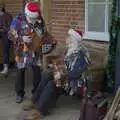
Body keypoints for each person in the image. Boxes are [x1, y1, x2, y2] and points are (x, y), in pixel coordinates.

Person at [8, 1, 45, 103]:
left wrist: (41, 38)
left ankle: (36, 92)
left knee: (37, 70)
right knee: (20, 71)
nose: (34, 20)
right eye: (31, 19)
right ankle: (20, 93)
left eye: (35, 18)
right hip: (21, 51)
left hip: (35, 50)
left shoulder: (39, 18)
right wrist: (21, 38)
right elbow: (10, 35)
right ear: (27, 14)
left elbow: (43, 31)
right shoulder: (18, 19)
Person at [64, 28, 90, 97]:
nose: (66, 38)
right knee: (47, 75)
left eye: (69, 36)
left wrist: (63, 73)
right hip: (69, 75)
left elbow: (76, 71)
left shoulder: (79, 53)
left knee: (49, 78)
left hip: (76, 78)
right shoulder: (71, 50)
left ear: (73, 39)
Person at [0, 3, 12, 75]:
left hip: (5, 34)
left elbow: (10, 28)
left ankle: (6, 67)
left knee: (5, 49)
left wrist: (3, 30)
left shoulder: (8, 15)